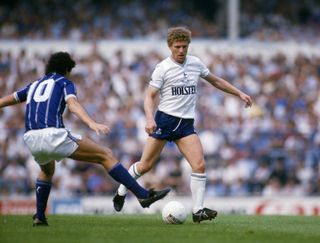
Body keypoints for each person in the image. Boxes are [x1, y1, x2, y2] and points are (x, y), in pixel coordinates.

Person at [0, 52, 170, 226]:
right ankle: (142, 195)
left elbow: (12, 98)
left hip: (30, 138)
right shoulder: (64, 82)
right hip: (52, 134)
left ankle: (40, 216)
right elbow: (72, 104)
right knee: (105, 155)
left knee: (46, 171)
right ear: (67, 70)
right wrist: (91, 123)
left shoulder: (34, 85)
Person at [113, 27, 253, 223]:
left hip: (186, 124)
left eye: (184, 46)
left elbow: (215, 81)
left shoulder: (195, 63)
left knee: (199, 165)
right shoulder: (163, 68)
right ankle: (120, 192)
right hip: (165, 120)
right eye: (177, 46)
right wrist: (149, 118)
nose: (181, 50)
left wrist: (239, 93)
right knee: (145, 166)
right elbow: (149, 96)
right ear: (170, 46)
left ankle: (198, 210)